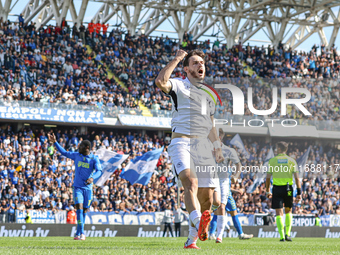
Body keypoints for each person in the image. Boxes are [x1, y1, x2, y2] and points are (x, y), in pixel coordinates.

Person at [155, 49, 224, 249]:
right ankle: (197, 223)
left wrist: (217, 146)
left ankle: (193, 236)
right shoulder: (178, 84)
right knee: (189, 180)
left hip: (203, 145)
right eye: (194, 63)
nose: (200, 65)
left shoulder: (209, 93)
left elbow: (210, 123)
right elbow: (160, 81)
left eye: (202, 62)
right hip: (181, 142)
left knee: (207, 198)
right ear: (186, 68)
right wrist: (177, 58)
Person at [48, 132, 102, 241]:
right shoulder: (77, 155)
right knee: (79, 210)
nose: (78, 147)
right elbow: (64, 152)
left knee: (84, 212)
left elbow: (99, 171)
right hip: (78, 188)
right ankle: (82, 233)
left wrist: (92, 178)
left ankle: (78, 233)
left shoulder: (94, 158)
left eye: (81, 146)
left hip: (88, 190)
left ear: (87, 147)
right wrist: (55, 142)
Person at [210, 128, 253, 243]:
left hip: (223, 181)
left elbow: (238, 165)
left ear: (218, 137)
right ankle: (209, 233)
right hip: (211, 181)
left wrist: (236, 175)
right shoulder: (207, 149)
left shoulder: (229, 151)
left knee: (221, 207)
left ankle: (219, 236)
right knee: (215, 208)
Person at [266, 141, 301, 242]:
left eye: (276, 148)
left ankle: (281, 236)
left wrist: (268, 190)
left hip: (277, 188)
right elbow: (297, 179)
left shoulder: (272, 161)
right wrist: (299, 193)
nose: (276, 150)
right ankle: (288, 234)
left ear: (280, 149)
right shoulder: (291, 161)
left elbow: (268, 178)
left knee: (278, 211)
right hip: (288, 188)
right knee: (288, 210)